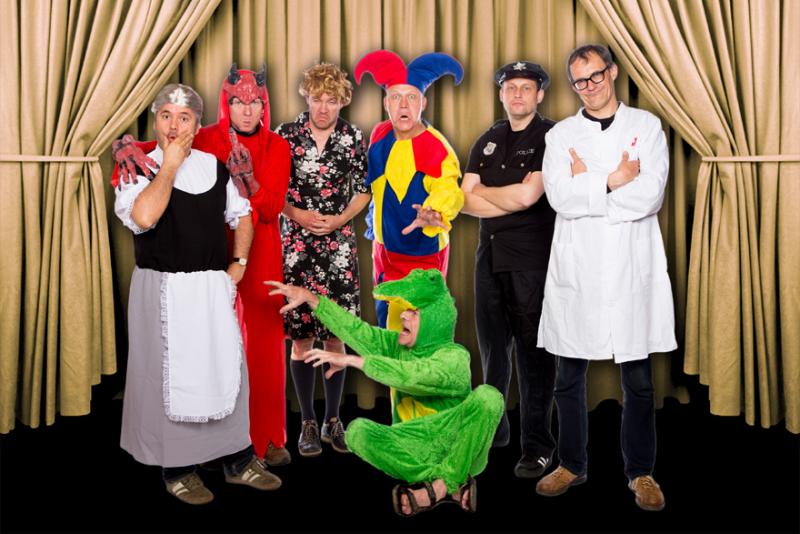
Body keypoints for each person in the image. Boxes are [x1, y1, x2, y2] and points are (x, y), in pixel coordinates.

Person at [111, 65, 293, 467]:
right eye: (166, 116)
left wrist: (239, 263)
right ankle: (183, 463)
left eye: (185, 117)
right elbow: (146, 207)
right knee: (175, 371)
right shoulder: (165, 155)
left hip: (231, 271)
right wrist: (138, 151)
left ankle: (250, 448)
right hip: (174, 276)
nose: (174, 126)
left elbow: (254, 212)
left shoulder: (246, 156)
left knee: (235, 361)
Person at [534, 44, 677, 512]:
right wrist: (614, 179)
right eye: (580, 81)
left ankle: (641, 472)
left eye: (596, 75)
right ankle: (570, 464)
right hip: (579, 269)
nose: (589, 86)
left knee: (638, 379)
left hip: (630, 267)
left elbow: (651, 196)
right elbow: (559, 198)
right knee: (568, 377)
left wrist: (588, 185)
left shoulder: (646, 126)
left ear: (612, 72)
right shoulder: (561, 136)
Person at [265, 269, 504, 516]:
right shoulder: (395, 345)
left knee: (489, 397)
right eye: (405, 309)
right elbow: (356, 330)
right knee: (357, 432)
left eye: (414, 312)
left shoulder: (454, 356)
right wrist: (312, 299)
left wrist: (356, 361)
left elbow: (416, 376)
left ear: (434, 320)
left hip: (460, 444)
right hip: (412, 445)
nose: (403, 315)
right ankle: (450, 482)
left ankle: (440, 487)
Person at [461, 61, 557, 479]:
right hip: (489, 259)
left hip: (531, 262)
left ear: (539, 95)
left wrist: (487, 192)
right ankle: (493, 429)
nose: (518, 94)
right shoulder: (487, 139)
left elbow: (528, 197)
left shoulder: (551, 136)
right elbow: (464, 200)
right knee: (492, 353)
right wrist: (504, 196)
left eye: (526, 87)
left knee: (535, 358)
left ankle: (537, 446)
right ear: (501, 94)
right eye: (511, 87)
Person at [275, 63, 370, 457]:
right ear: (307, 97)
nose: (324, 107)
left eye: (331, 100)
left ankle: (333, 419)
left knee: (334, 333)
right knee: (301, 337)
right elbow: (271, 191)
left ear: (342, 101)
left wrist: (340, 219)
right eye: (317, 99)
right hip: (296, 246)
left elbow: (364, 189)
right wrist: (296, 214)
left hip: (338, 248)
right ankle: (308, 422)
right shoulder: (285, 135)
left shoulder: (353, 137)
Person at [353, 50, 465, 331]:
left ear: (423, 103)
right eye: (396, 97)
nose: (403, 104)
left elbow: (449, 188)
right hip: (384, 252)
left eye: (411, 97)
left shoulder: (436, 146)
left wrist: (435, 211)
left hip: (423, 256)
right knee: (388, 332)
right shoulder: (379, 135)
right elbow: (374, 184)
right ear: (386, 103)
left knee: (418, 334)